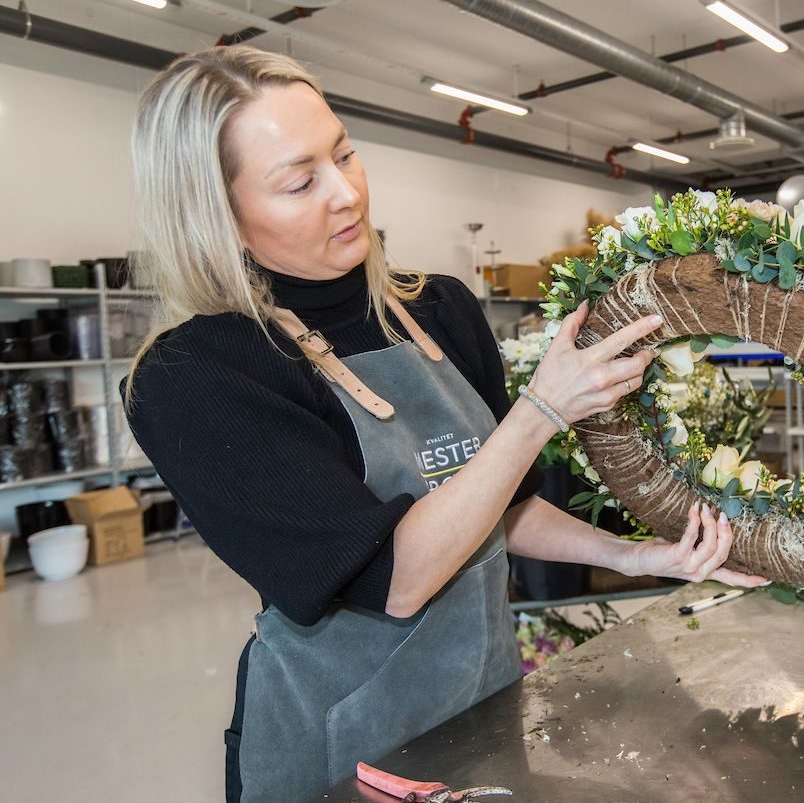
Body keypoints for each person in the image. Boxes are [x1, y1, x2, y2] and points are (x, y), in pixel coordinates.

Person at [124, 46, 766, 803]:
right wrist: (542, 412)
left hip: (480, 714)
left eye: (345, 154)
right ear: (217, 217)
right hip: (343, 755)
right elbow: (396, 580)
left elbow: (507, 505)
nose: (346, 194)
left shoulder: (437, 308)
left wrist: (631, 556)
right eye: (300, 181)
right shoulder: (200, 376)